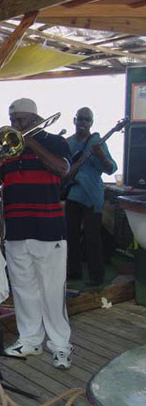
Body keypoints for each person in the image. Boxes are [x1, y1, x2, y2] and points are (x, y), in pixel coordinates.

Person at [0, 98, 74, 369]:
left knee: (52, 291)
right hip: (17, 228)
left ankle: (61, 346)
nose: (14, 125)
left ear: (34, 118)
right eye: (12, 120)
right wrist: (0, 159)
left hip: (49, 229)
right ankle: (29, 340)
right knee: (23, 289)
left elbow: (63, 170)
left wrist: (31, 144)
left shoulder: (55, 142)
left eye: (19, 120)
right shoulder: (7, 148)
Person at [65, 107, 117, 286]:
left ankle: (97, 276)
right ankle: (74, 271)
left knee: (92, 237)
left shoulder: (98, 143)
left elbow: (111, 169)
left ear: (92, 123)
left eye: (87, 120)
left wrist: (101, 155)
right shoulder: (68, 142)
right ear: (74, 120)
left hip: (92, 196)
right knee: (70, 235)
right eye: (80, 119)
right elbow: (62, 168)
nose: (83, 123)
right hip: (72, 193)